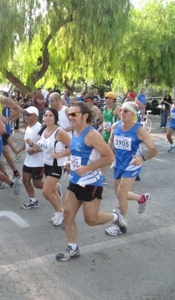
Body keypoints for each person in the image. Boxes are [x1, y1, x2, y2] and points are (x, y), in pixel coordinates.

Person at [55, 102, 127, 261]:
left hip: (91, 182)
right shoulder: (74, 132)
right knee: (68, 214)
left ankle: (116, 217)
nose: (70, 117)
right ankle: (72, 248)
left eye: (74, 114)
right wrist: (70, 163)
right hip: (75, 180)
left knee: (91, 220)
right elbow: (77, 153)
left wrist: (88, 168)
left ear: (85, 116)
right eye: (69, 114)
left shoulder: (92, 134)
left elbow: (109, 157)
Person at [105, 102, 158, 236]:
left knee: (121, 194)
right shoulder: (115, 126)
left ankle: (120, 224)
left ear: (133, 115)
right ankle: (141, 199)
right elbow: (111, 141)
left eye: (126, 111)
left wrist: (142, 159)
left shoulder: (139, 130)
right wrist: (108, 155)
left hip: (132, 165)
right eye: (121, 110)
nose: (122, 113)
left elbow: (153, 150)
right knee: (119, 193)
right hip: (118, 163)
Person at [30, 108, 71, 226]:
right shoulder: (43, 131)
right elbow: (40, 147)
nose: (48, 117)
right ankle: (61, 212)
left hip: (58, 165)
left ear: (55, 118)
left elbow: (71, 147)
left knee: (46, 191)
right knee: (53, 191)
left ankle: (59, 212)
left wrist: (59, 154)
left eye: (51, 115)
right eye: (46, 115)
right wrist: (32, 147)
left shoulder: (60, 132)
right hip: (47, 163)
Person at [17, 106, 43, 208]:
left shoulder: (40, 129)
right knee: (25, 180)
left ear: (35, 116)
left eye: (29, 114)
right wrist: (21, 149)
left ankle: (53, 186)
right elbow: (26, 141)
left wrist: (33, 150)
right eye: (26, 114)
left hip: (39, 161)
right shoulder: (28, 128)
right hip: (28, 160)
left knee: (37, 184)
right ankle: (33, 201)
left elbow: (43, 146)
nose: (26, 116)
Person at [100, 91, 121, 185]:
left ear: (113, 99)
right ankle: (102, 176)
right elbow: (104, 120)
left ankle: (127, 174)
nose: (106, 99)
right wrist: (101, 128)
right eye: (106, 97)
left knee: (113, 156)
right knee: (105, 156)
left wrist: (112, 127)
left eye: (108, 98)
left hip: (114, 135)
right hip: (105, 134)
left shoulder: (117, 108)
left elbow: (123, 120)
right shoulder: (104, 108)